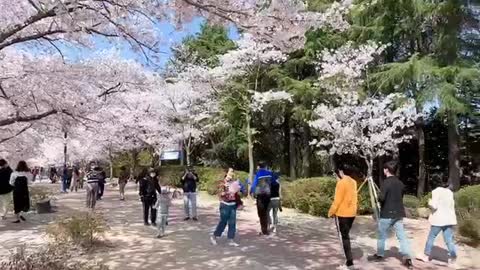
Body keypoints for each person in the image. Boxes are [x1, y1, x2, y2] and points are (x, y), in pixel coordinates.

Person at [369, 161, 414, 269]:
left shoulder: (385, 183)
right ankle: (407, 258)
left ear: (386, 170)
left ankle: (380, 254)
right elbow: (400, 197)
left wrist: (379, 200)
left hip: (387, 213)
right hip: (398, 213)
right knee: (402, 236)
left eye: (384, 169)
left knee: (381, 235)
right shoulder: (400, 183)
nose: (383, 170)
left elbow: (382, 198)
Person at [417, 181, 458, 268]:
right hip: (448, 219)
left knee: (431, 237)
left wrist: (429, 202)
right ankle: (453, 257)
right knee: (449, 240)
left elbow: (434, 206)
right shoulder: (450, 193)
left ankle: (426, 256)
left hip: (438, 219)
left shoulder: (436, 191)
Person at [328, 165, 358, 269]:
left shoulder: (341, 183)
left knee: (345, 237)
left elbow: (337, 201)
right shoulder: (353, 182)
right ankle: (348, 258)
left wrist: (331, 212)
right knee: (346, 235)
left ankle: (349, 262)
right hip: (352, 213)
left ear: (341, 172)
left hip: (343, 213)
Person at [210, 168, 241, 247]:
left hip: (233, 205)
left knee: (232, 222)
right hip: (225, 205)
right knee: (223, 222)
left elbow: (238, 192)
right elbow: (220, 194)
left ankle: (231, 239)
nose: (232, 174)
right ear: (226, 173)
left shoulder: (234, 182)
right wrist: (225, 190)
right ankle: (214, 236)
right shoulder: (222, 183)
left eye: (233, 172)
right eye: (230, 172)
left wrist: (238, 189)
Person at [250, 161, 274, 236]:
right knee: (266, 212)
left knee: (261, 213)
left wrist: (252, 192)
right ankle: (267, 228)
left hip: (260, 196)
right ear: (265, 166)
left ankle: (264, 230)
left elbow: (254, 185)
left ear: (259, 167)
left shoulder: (258, 174)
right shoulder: (270, 173)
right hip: (268, 195)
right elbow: (274, 183)